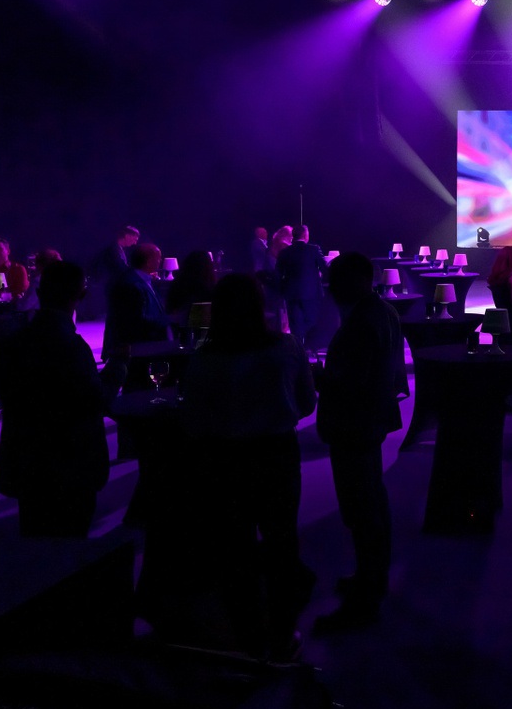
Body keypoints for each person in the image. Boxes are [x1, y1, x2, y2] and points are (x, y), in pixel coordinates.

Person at [176, 273, 317, 656]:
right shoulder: (286, 347)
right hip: (276, 454)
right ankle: (283, 633)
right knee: (281, 541)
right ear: (259, 305)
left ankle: (247, 634)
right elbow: (307, 403)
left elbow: (191, 420)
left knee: (234, 548)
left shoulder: (205, 359)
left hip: (223, 459)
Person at [314, 254, 406, 633]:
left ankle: (365, 600)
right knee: (372, 499)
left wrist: (316, 377)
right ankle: (373, 577)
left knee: (360, 507)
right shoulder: (384, 311)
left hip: (353, 425)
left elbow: (349, 384)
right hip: (372, 422)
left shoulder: (360, 324)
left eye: (333, 279)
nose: (328, 286)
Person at [0, 260, 108, 537]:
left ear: (40, 293)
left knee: (33, 539)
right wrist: (118, 369)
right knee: (71, 543)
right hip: (70, 464)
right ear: (81, 294)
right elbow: (94, 401)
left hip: (26, 461)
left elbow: (0, 391)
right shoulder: (72, 346)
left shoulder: (12, 341)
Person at [103, 242, 171, 387]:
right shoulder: (132, 284)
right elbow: (136, 321)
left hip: (145, 351)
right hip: (140, 353)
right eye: (158, 258)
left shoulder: (140, 280)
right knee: (139, 390)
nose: (160, 261)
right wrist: (169, 319)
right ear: (149, 261)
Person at [274, 225, 328, 345]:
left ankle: (298, 349)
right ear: (305, 235)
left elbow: (277, 274)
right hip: (311, 293)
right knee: (311, 321)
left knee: (295, 325)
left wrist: (283, 290)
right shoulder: (314, 249)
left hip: (291, 294)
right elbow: (325, 268)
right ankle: (306, 347)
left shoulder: (285, 252)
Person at [166, 249, 218, 340]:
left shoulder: (178, 286)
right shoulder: (209, 288)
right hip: (203, 335)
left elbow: (171, 310)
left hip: (180, 334)